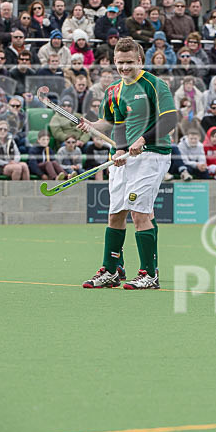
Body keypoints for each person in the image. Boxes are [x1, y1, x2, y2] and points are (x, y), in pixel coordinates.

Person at [78, 37, 177, 290]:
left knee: (139, 212)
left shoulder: (155, 85)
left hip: (152, 155)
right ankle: (111, 270)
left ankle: (149, 274)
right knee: (115, 213)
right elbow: (114, 123)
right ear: (114, 61)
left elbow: (169, 121)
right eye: (120, 63)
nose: (124, 68)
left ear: (140, 60)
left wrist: (142, 140)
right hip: (124, 158)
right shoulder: (114, 90)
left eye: (130, 63)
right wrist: (90, 126)